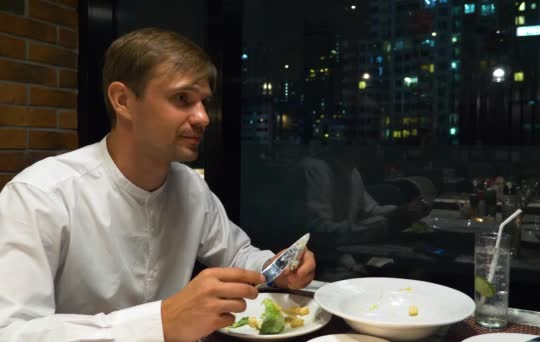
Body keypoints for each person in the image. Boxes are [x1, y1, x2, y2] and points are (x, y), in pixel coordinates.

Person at [0, 28, 315, 341]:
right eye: (182, 98)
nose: (204, 117)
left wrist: (275, 267)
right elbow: (11, 331)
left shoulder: (191, 187)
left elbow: (236, 255)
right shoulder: (40, 195)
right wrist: (160, 322)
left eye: (204, 101)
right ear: (123, 101)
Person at [281, 142, 430, 281]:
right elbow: (320, 233)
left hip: (346, 258)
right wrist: (391, 222)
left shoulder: (351, 170)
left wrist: (405, 211)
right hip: (317, 266)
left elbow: (371, 209)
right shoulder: (315, 169)